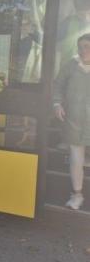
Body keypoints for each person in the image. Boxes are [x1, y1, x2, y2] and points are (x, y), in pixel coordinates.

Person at [53, 33, 90, 210]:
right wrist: (56, 103)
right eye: (81, 46)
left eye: (87, 46)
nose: (84, 50)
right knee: (76, 158)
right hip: (75, 120)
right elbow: (58, 85)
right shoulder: (71, 65)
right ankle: (77, 195)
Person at [57, 0, 90, 66]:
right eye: (81, 14)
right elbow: (57, 47)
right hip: (69, 65)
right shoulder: (67, 22)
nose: (86, 17)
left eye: (89, 13)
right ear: (76, 11)